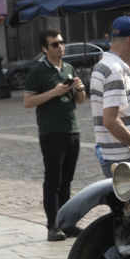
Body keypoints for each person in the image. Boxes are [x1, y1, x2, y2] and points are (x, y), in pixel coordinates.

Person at [23, 28, 85, 242]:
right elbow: (28, 101)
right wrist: (54, 92)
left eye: (61, 42)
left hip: (72, 129)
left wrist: (79, 88)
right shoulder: (38, 71)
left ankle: (67, 222)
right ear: (44, 48)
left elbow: (80, 101)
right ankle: (53, 225)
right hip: (51, 131)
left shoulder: (69, 67)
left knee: (67, 179)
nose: (60, 47)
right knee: (53, 180)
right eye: (55, 44)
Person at [89, 16, 130, 178]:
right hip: (124, 156)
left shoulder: (102, 66)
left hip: (115, 154)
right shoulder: (115, 70)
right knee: (129, 203)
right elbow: (110, 120)